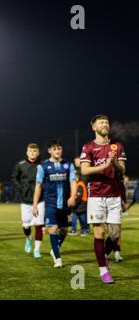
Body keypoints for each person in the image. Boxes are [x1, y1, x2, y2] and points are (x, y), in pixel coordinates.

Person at [80, 114, 127, 284]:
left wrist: (113, 163)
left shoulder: (118, 146)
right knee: (99, 232)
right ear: (94, 127)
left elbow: (122, 170)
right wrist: (105, 165)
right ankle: (103, 271)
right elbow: (84, 170)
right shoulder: (88, 147)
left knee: (114, 234)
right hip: (97, 195)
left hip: (114, 194)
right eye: (101, 122)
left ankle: (103, 257)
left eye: (107, 122)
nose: (105, 124)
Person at [33, 139, 77, 268]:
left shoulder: (68, 165)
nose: (57, 151)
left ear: (61, 150)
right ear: (49, 151)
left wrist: (73, 196)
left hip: (65, 204)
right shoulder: (43, 166)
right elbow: (38, 186)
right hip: (50, 204)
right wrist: (35, 205)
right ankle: (57, 259)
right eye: (54, 149)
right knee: (52, 229)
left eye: (59, 148)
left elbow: (73, 182)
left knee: (64, 230)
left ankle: (55, 248)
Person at [11, 143, 44, 258]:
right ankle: (28, 239)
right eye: (30, 151)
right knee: (26, 226)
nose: (32, 153)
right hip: (25, 200)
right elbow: (14, 177)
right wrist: (20, 188)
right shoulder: (20, 164)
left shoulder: (43, 165)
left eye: (35, 151)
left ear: (38, 152)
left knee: (39, 225)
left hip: (40, 199)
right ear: (27, 152)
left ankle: (37, 250)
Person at [68, 157, 89, 236]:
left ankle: (85, 229)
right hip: (78, 204)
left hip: (81, 204)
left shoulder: (80, 184)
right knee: (75, 217)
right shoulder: (76, 183)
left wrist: (74, 203)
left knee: (83, 218)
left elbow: (79, 195)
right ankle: (75, 230)